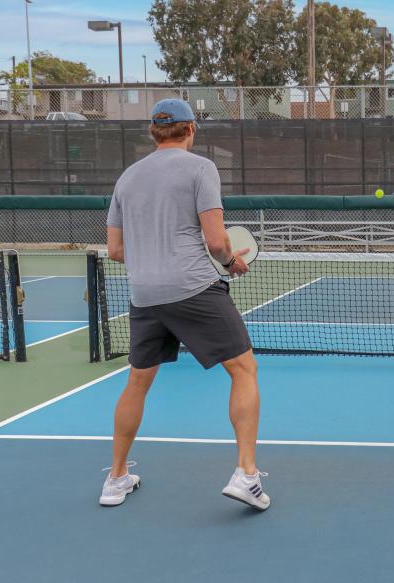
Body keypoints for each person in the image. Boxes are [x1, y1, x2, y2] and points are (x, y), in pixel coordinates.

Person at [100, 99, 270, 511]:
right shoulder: (200, 168)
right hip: (192, 287)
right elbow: (215, 241)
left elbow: (115, 250)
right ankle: (247, 474)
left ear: (154, 132)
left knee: (137, 382)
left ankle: (115, 477)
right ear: (190, 129)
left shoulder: (127, 178)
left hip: (144, 294)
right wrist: (231, 263)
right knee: (244, 369)